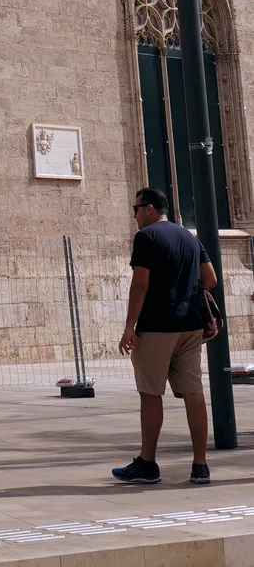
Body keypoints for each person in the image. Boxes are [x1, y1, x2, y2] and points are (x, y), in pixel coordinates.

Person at [113, 186, 218, 486]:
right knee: (194, 393)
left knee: (150, 393)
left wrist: (129, 326)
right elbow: (210, 279)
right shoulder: (190, 237)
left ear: (149, 209)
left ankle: (148, 463)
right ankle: (200, 465)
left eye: (135, 209)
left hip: (157, 326)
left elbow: (140, 285)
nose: (134, 215)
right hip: (190, 326)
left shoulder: (146, 237)